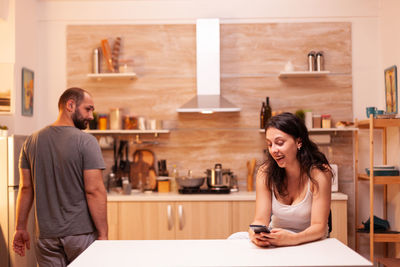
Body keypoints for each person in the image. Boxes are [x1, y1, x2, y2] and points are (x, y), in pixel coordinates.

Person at [12, 87, 108, 266]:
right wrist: (103, 235)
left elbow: (26, 189)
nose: (91, 116)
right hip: (81, 236)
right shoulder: (86, 142)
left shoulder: (31, 141)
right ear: (70, 105)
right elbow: (94, 191)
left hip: (46, 237)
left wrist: (20, 227)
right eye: (88, 109)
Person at [249, 112, 332, 247]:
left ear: (299, 142)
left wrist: (292, 239)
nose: (273, 150)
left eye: (279, 143)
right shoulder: (265, 173)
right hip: (276, 241)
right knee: (233, 239)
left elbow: (319, 227)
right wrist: (255, 234)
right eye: (270, 144)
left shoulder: (319, 173)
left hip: (310, 242)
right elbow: (260, 219)